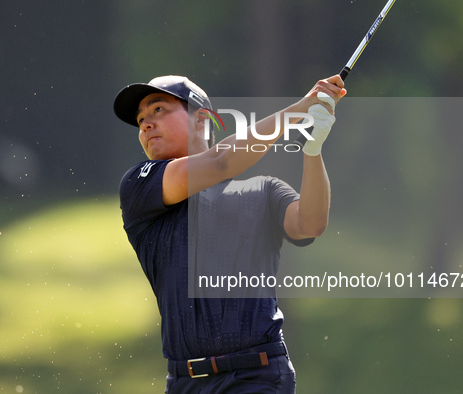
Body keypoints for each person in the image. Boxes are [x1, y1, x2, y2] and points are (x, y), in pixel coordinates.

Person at [114, 75, 345, 393]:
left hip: (257, 376)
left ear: (202, 119)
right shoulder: (140, 186)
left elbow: (310, 224)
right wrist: (299, 109)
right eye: (141, 120)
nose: (146, 125)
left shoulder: (263, 190)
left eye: (159, 110)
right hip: (184, 382)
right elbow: (222, 162)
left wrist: (313, 150)